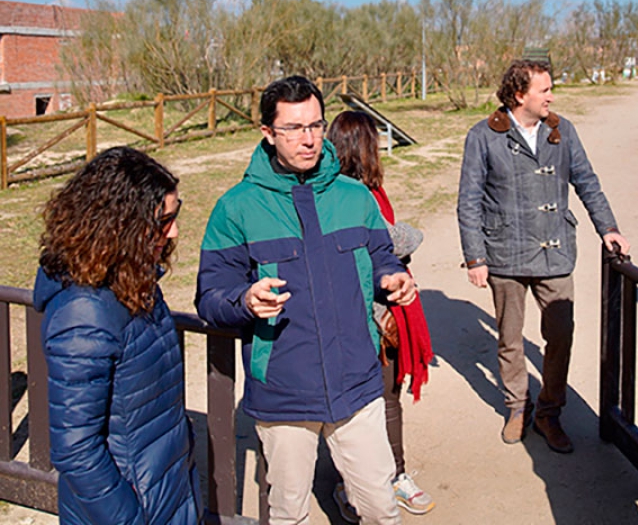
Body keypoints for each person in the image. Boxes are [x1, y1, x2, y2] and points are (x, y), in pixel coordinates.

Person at [195, 76, 415, 525]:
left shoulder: (355, 197)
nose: (309, 138)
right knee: (289, 515)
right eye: (294, 128)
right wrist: (244, 299)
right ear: (268, 133)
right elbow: (210, 294)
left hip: (357, 381)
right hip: (284, 392)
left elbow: (380, 255)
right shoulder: (236, 208)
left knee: (381, 509)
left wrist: (393, 277)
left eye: (315, 125)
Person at [457, 59, 630, 453]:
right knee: (509, 339)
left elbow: (586, 180)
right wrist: (475, 257)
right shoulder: (482, 136)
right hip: (504, 254)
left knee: (561, 335)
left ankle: (549, 412)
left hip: (554, 251)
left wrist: (609, 227)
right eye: (545, 89)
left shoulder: (562, 130)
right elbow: (468, 202)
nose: (552, 95)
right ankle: (517, 406)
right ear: (520, 95)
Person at [33, 146, 202, 524]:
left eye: (175, 215)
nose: (174, 231)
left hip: (165, 491)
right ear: (121, 225)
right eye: (163, 220)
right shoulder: (83, 314)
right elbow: (76, 449)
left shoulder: (134, 280)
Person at [327, 110, 436, 520]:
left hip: (381, 307)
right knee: (363, 403)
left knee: (386, 399)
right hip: (364, 312)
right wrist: (414, 236)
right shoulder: (346, 195)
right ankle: (351, 484)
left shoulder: (371, 192)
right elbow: (394, 238)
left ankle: (395, 474)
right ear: (364, 148)